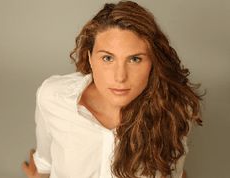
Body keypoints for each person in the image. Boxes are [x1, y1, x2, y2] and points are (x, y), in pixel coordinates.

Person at [22, 1, 203, 178]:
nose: (120, 77)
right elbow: (45, 162)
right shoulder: (54, 97)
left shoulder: (175, 109)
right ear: (90, 58)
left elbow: (173, 171)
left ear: (153, 63)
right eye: (108, 58)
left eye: (135, 59)